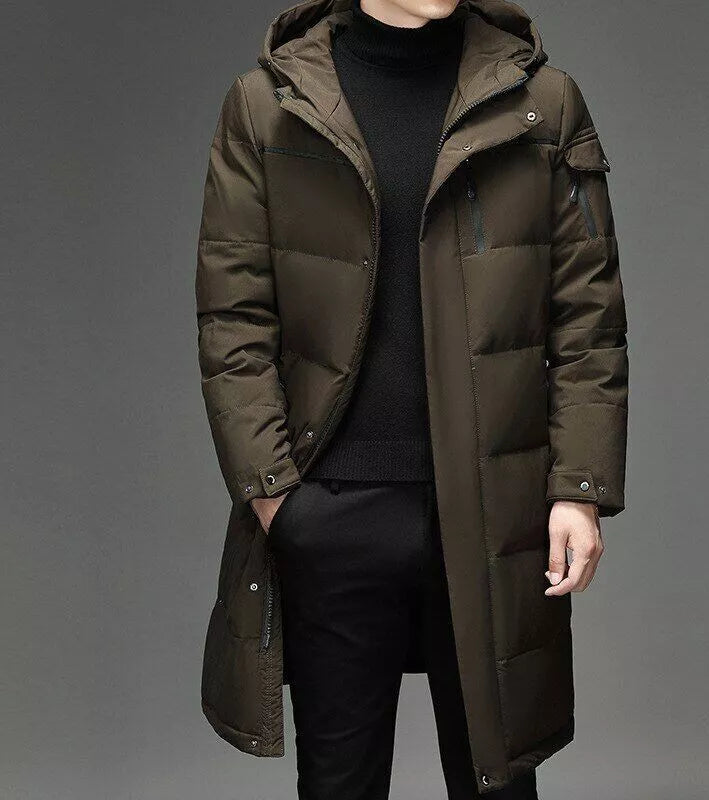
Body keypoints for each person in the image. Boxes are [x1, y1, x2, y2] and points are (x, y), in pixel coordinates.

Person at [194, 0, 628, 797]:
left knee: (499, 782)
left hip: (496, 510)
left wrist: (578, 489)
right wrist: (275, 496)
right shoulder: (267, 105)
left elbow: (588, 319)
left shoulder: (542, 101)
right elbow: (234, 319)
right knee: (340, 785)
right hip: (332, 509)